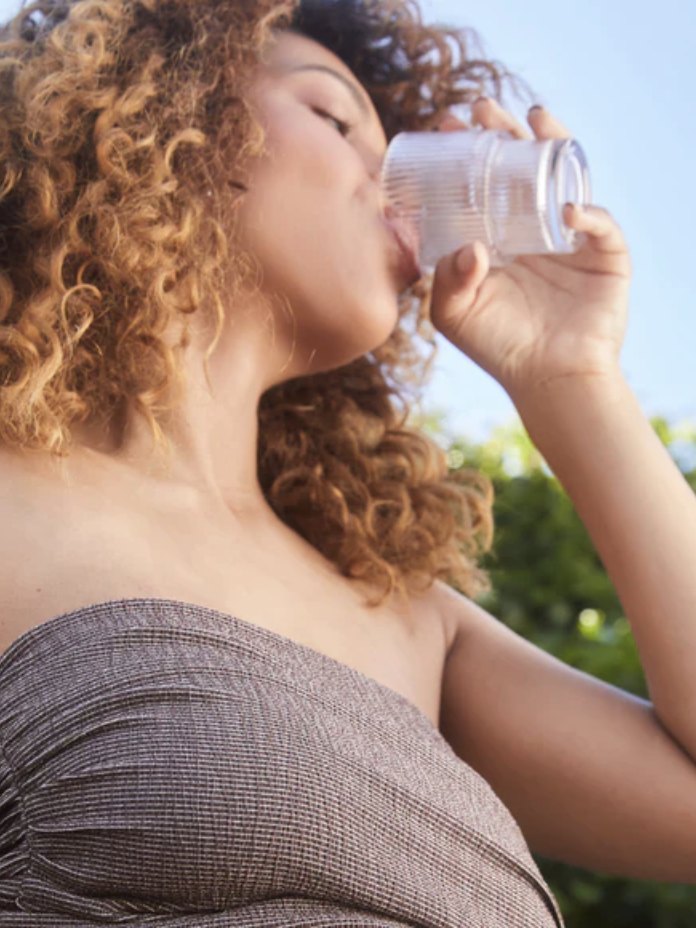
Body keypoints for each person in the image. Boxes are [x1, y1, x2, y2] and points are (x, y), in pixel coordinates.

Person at [1, 0, 696, 925]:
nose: (401, 181)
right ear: (151, 122)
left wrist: (572, 382)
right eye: (335, 117)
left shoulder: (405, 613)